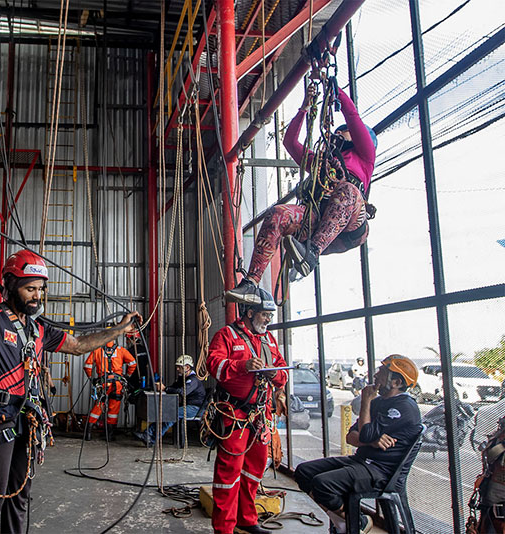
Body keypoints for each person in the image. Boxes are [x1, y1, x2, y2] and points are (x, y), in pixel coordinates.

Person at [0, 199, 142, 534]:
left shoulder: (40, 330)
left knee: (20, 497)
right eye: (30, 288)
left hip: (28, 421)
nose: (37, 296)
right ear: (10, 286)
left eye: (40, 290)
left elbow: (78, 346)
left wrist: (119, 329)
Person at [226, 84, 377, 305]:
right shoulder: (321, 164)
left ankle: (311, 254)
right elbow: (289, 143)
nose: (337, 133)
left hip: (350, 226)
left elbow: (353, 117)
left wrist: (337, 93)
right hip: (317, 222)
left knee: (347, 191)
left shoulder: (364, 156)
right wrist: (304, 108)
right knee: (277, 214)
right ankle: (251, 282)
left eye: (342, 131)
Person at [294, 355, 422, 534]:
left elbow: (364, 433)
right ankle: (353, 522)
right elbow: (350, 436)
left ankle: (354, 522)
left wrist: (366, 403)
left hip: (381, 471)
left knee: (323, 484)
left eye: (382, 372)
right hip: (361, 461)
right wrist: (372, 440)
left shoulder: (405, 407)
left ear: (397, 382)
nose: (376, 375)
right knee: (303, 472)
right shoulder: (379, 402)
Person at [206, 287, 289, 534]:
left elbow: (283, 370)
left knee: (255, 468)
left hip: (260, 415)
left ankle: (247, 519)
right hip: (235, 415)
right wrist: (242, 365)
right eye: (265, 315)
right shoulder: (227, 335)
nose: (268, 320)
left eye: (270, 316)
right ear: (250, 312)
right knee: (229, 472)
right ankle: (224, 529)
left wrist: (277, 375)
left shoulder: (268, 340)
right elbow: (214, 365)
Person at [134, 354, 205, 445]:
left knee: (169, 415)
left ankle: (150, 437)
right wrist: (163, 387)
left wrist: (165, 389)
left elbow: (182, 392)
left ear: (187, 367)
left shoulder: (193, 380)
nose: (177, 369)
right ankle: (149, 436)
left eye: (179, 367)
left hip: (194, 408)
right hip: (187, 406)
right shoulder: (182, 378)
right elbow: (173, 387)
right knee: (167, 413)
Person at [83, 338, 137, 440]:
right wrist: (127, 376)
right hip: (117, 384)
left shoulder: (97, 350)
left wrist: (92, 379)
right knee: (113, 410)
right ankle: (109, 435)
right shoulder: (121, 350)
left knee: (98, 406)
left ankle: (88, 433)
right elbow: (133, 363)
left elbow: (87, 366)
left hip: (103, 383)